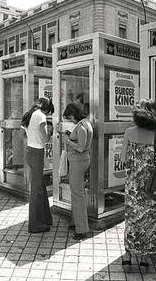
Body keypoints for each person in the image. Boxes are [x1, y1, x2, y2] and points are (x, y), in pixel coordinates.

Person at [120, 99, 156, 267]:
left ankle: (128, 255)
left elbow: (122, 158)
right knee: (150, 220)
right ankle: (144, 258)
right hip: (154, 187)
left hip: (134, 186)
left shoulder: (129, 132)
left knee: (132, 218)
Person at [21, 97, 54, 233]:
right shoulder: (40, 116)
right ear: (45, 109)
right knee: (37, 190)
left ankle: (45, 218)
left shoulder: (29, 114)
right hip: (37, 152)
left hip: (30, 150)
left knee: (40, 186)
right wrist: (50, 132)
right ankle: (35, 225)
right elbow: (45, 138)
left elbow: (22, 135)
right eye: (48, 112)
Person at [61, 103, 93, 240]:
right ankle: (76, 221)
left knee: (77, 194)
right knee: (76, 192)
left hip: (78, 161)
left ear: (73, 115)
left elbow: (80, 147)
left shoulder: (80, 127)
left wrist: (68, 141)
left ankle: (82, 229)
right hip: (82, 161)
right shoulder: (86, 123)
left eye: (69, 118)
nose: (70, 120)